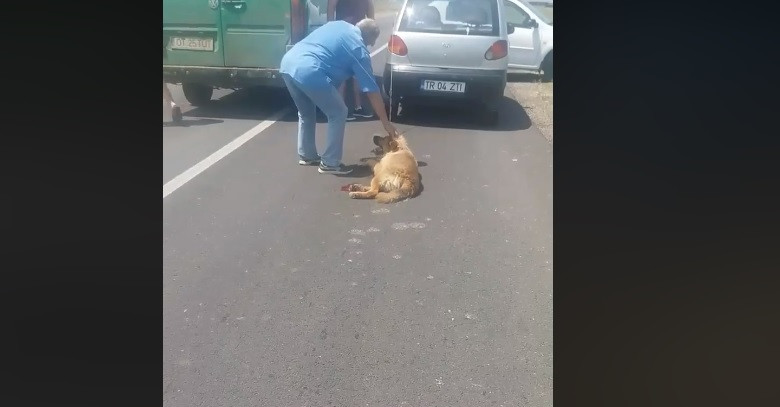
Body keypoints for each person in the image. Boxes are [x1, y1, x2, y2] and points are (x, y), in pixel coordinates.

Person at [280, 18, 397, 175]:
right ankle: (330, 162)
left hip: (288, 62)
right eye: (371, 42)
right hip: (309, 70)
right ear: (369, 37)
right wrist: (385, 122)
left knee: (306, 113)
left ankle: (307, 155)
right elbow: (371, 91)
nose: (370, 46)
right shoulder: (359, 49)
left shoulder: (338, 24)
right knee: (339, 112)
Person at [328, 0, 375, 121]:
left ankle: (345, 108)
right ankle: (356, 107)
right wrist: (371, 31)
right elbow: (370, 7)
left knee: (344, 72)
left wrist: (329, 27)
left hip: (346, 32)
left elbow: (331, 5)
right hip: (357, 33)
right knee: (355, 72)